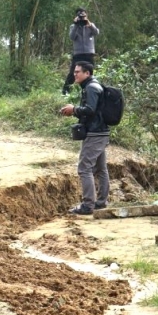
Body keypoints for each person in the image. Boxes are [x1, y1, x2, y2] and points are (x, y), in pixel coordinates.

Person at [60, 61, 110, 215]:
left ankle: (88, 205)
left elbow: (90, 110)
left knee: (84, 168)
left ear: (87, 73)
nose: (75, 74)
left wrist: (73, 109)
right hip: (101, 132)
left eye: (78, 72)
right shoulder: (94, 86)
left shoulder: (91, 88)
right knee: (100, 168)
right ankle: (101, 202)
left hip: (95, 133)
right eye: (74, 72)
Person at [63, 7, 100, 94]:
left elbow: (96, 32)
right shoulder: (73, 26)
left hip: (89, 54)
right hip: (78, 54)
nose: (82, 17)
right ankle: (65, 92)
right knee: (73, 73)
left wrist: (89, 24)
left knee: (89, 73)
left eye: (84, 15)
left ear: (87, 15)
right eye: (80, 15)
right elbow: (72, 37)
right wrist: (76, 24)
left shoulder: (90, 25)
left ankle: (89, 91)